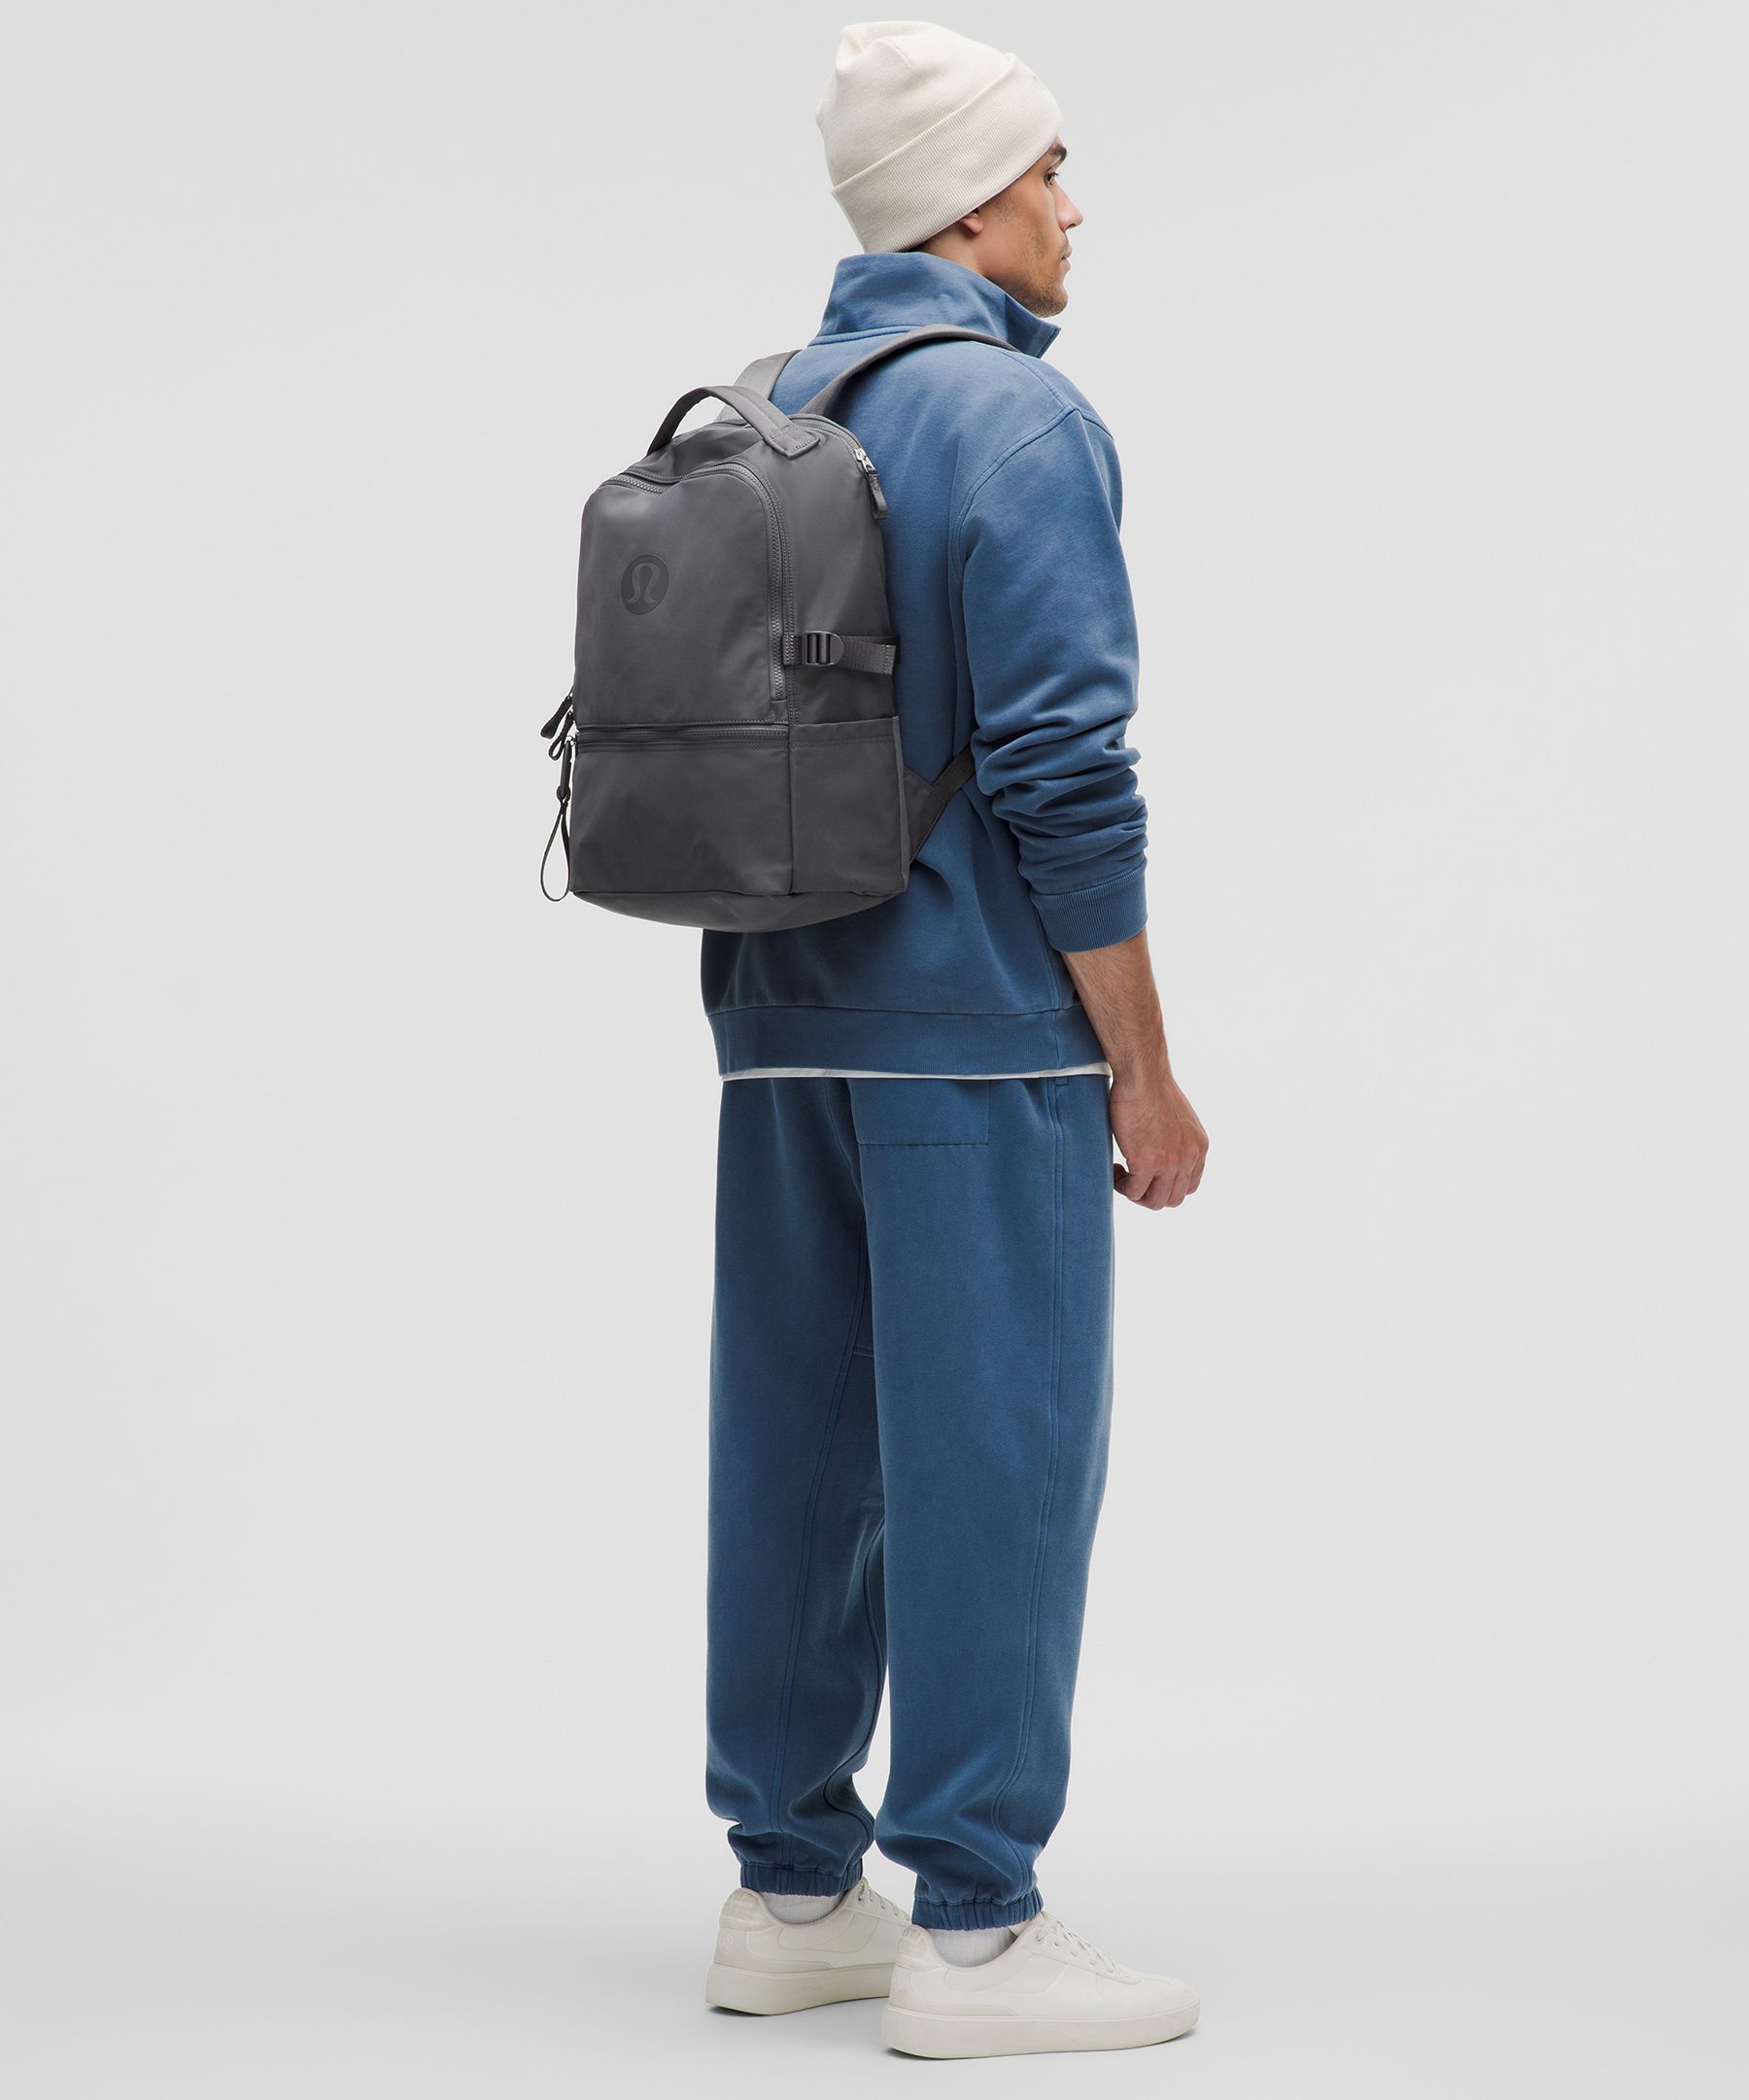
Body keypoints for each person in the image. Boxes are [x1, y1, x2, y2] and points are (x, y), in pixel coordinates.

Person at [699, 20, 1210, 2059]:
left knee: (800, 1452)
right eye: (1050, 169)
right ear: (968, 204)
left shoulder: (760, 406)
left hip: (776, 1018)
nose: (1075, 205)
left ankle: (789, 1889)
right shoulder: (1016, 419)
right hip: (977, 1034)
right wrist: (1142, 1067)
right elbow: (1067, 771)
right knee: (997, 1459)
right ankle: (978, 1931)